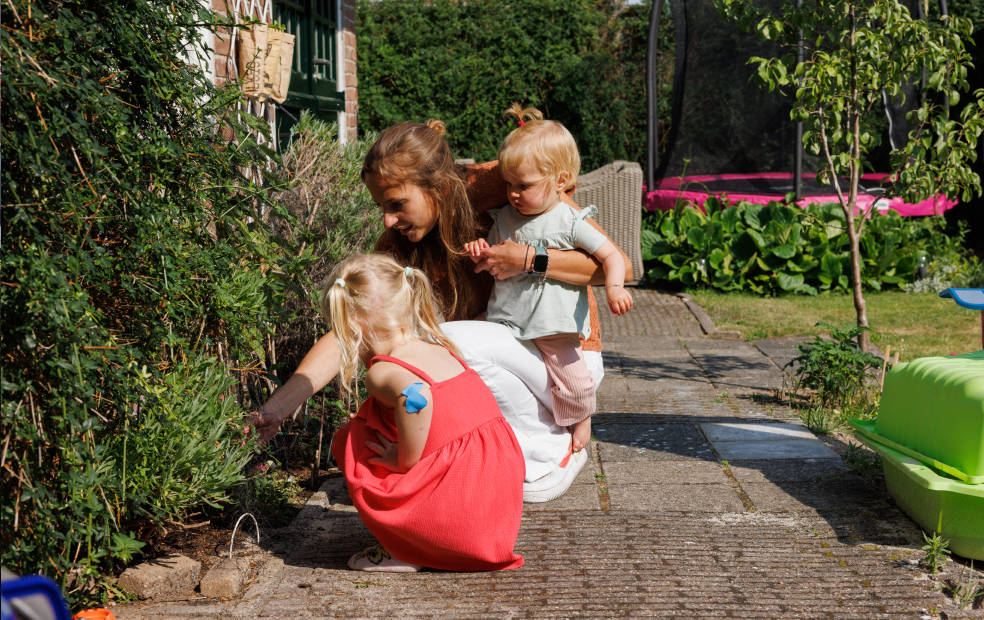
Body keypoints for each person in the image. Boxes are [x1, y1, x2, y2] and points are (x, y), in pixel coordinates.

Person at [248, 118, 632, 503]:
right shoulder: (397, 246)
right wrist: (278, 408)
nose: (387, 220)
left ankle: (552, 452)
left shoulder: (502, 182)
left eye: (397, 204)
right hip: (501, 351)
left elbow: (617, 267)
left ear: (441, 188)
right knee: (418, 355)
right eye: (381, 206)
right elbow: (353, 329)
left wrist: (530, 259)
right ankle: (503, 453)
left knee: (444, 341)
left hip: (563, 356)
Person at [327, 254, 524, 572]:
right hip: (493, 502)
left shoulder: (382, 371)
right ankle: (422, 541)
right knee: (386, 419)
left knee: (356, 437)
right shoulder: (437, 348)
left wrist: (401, 460)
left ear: (351, 326)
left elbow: (415, 396)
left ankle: (405, 548)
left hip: (457, 507)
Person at [464, 105, 633, 454]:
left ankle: (581, 416)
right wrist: (481, 253)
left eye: (523, 185)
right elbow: (493, 262)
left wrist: (615, 287)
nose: (513, 193)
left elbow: (613, 257)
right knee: (462, 343)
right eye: (509, 184)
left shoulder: (569, 220)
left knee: (574, 381)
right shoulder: (505, 217)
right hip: (505, 315)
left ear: (559, 180)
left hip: (550, 323)